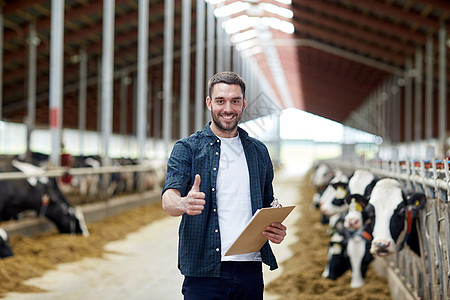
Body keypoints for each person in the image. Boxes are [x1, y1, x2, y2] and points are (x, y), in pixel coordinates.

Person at [161, 71, 287, 299]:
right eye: (220, 101)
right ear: (209, 103)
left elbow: (268, 205)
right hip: (204, 272)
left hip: (250, 269)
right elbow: (168, 199)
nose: (227, 108)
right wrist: (183, 203)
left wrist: (275, 229)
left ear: (243, 103)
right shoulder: (187, 148)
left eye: (235, 101)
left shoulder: (259, 152)